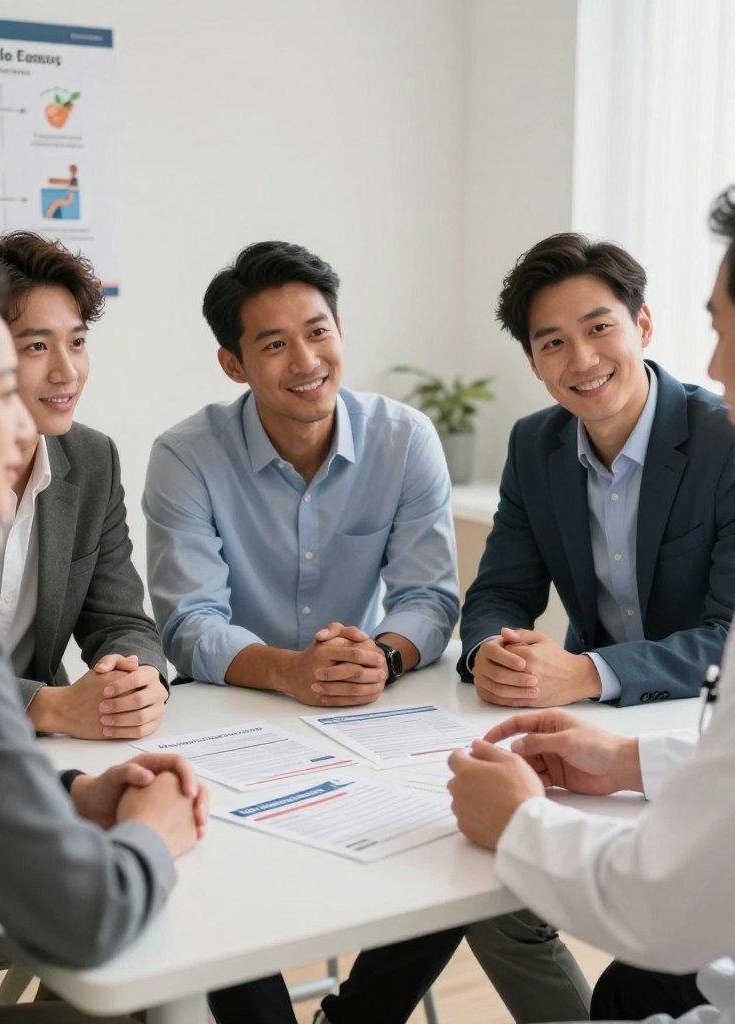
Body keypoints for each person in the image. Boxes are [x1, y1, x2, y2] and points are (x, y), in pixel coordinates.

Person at [448, 162, 735, 1023]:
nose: (716, 364)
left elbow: (670, 906)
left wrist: (519, 824)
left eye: (721, 330)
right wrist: (628, 760)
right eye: (552, 341)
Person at [455, 233, 735, 1021]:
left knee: (639, 958)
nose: (582, 359)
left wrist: (589, 673)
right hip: (589, 735)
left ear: (644, 324)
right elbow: (500, 589)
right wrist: (492, 651)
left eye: (600, 327)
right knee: (480, 877)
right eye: (553, 342)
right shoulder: (533, 444)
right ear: (534, 363)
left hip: (708, 734)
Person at [0, 247, 207, 1024]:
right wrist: (152, 833)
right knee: (169, 999)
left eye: (76, 343)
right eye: (4, 386)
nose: (28, 423)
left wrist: (70, 794)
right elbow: (88, 916)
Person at [144, 240, 461, 1023]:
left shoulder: (404, 437)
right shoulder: (186, 455)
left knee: (461, 831)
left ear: (342, 332)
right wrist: (289, 670)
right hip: (229, 722)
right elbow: (189, 624)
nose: (306, 359)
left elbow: (430, 596)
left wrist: (381, 656)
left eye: (318, 332)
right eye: (274, 343)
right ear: (233, 363)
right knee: (196, 862)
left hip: (365, 716)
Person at [0, 232, 168, 741]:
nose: (67, 371)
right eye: (37, 346)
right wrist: (47, 707)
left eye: (78, 342)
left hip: (44, 751)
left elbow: (118, 618)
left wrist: (138, 682)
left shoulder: (92, 460)